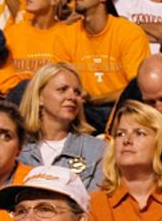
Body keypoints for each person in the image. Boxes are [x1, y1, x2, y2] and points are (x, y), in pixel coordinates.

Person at [54, 0, 150, 128]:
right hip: (78, 109)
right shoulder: (66, 34)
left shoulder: (130, 34)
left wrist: (95, 98)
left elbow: (137, 89)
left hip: (120, 109)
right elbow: (58, 80)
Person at [17, 63, 106, 191]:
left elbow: (94, 204)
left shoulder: (98, 150)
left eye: (77, 92)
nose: (72, 97)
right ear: (39, 97)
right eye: (62, 89)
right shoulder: (16, 148)